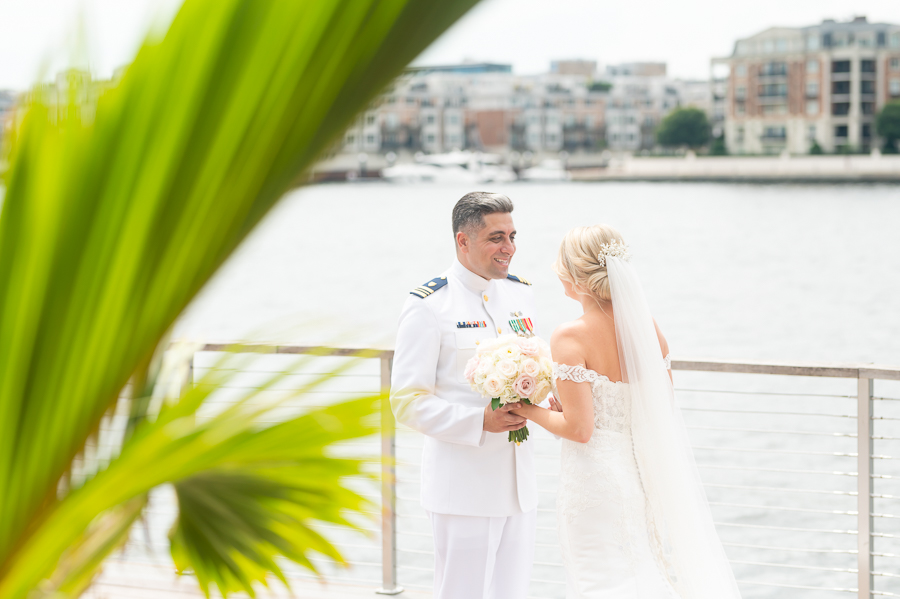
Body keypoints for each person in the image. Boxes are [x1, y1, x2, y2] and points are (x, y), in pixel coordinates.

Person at [513, 225, 741, 599]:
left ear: (577, 277)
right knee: (635, 575)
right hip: (636, 477)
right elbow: (658, 411)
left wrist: (527, 408)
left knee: (597, 581)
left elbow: (581, 430)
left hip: (593, 481)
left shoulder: (569, 336)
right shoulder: (648, 330)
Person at [390, 191, 542, 599]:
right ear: (463, 241)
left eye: (512, 236)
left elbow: (535, 367)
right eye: (497, 238)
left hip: (519, 484)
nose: (509, 248)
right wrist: (480, 422)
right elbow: (406, 401)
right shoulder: (429, 305)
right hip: (463, 487)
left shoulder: (521, 293)